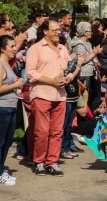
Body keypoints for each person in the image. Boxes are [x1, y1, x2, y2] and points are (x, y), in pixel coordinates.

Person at [26, 20, 81, 176]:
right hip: (42, 94)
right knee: (42, 131)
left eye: (60, 30)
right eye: (55, 30)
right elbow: (30, 73)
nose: (59, 32)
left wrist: (68, 78)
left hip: (60, 96)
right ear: (45, 31)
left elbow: (70, 68)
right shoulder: (35, 49)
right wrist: (51, 81)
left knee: (57, 131)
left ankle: (52, 162)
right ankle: (39, 162)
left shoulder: (63, 49)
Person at [0, 35, 24, 186]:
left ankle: (0, 170)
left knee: (7, 141)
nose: (14, 49)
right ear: (2, 49)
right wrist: (16, 85)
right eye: (11, 46)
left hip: (10, 107)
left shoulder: (7, 64)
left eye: (15, 46)